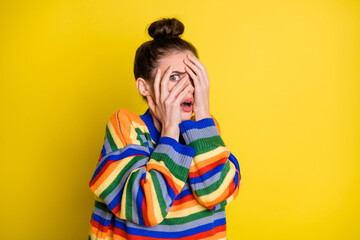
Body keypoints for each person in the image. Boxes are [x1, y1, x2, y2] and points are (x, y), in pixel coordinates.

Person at [88, 17, 242, 240]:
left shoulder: (206, 128)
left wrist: (204, 116)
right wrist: (170, 130)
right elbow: (147, 208)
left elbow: (217, 194)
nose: (187, 88)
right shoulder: (126, 126)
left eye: (193, 78)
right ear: (144, 87)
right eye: (175, 77)